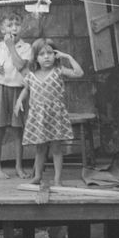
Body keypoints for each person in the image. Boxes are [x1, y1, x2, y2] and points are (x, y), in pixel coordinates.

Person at [14, 38, 84, 187]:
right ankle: (37, 176)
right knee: (40, 149)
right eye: (42, 54)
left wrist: (68, 57)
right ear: (36, 58)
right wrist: (19, 100)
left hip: (55, 115)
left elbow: (79, 73)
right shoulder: (31, 74)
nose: (46, 57)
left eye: (50, 53)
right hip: (38, 116)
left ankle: (58, 179)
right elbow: (26, 89)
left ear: (55, 55)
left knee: (56, 148)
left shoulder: (58, 70)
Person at [0, 9, 33, 179]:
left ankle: (19, 166)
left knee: (18, 129)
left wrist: (11, 47)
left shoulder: (26, 47)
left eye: (17, 24)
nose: (14, 28)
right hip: (1, 88)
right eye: (9, 25)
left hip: (18, 90)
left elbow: (21, 66)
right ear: (2, 29)